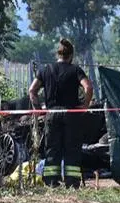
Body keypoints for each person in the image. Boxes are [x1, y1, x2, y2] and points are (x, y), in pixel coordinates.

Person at [28, 39, 93, 188]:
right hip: (71, 114)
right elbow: (88, 87)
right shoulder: (75, 70)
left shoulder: (45, 70)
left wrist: (38, 109)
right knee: (72, 148)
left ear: (58, 54)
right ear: (71, 55)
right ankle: (72, 183)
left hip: (52, 114)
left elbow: (32, 91)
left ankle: (51, 182)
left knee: (52, 148)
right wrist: (85, 105)